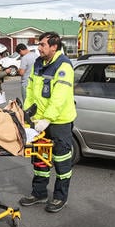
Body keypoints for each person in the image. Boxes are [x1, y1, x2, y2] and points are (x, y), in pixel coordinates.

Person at [19, 32, 76, 213]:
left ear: (54, 46)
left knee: (61, 161)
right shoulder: (38, 63)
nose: (39, 47)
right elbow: (30, 88)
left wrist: (47, 119)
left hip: (58, 122)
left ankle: (60, 197)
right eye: (39, 44)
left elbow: (60, 96)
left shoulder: (64, 66)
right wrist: (29, 113)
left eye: (43, 45)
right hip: (39, 122)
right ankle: (39, 193)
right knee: (40, 160)